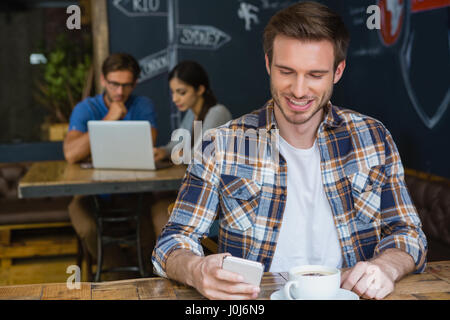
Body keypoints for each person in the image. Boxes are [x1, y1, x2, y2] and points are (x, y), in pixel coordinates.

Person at [151, 1, 428, 300]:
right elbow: (171, 241)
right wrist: (195, 269)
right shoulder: (220, 145)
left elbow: (408, 233)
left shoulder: (372, 138)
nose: (298, 90)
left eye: (315, 75)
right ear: (268, 64)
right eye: (286, 71)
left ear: (338, 71)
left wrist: (386, 266)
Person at [64, 53, 158, 271]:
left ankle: (142, 281)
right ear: (103, 80)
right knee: (87, 228)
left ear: (134, 83)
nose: (119, 92)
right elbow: (71, 154)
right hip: (89, 194)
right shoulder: (86, 109)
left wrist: (91, 148)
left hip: (134, 193)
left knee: (148, 234)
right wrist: (108, 120)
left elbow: (147, 144)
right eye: (114, 84)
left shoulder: (143, 105)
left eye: (126, 85)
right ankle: (123, 282)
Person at [150, 60, 232, 238]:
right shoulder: (191, 113)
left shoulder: (217, 112)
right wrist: (163, 152)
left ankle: (170, 261)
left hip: (214, 203)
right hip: (195, 193)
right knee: (155, 206)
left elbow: (198, 157)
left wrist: (181, 153)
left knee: (160, 211)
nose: (175, 99)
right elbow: (177, 147)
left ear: (200, 89)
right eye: (173, 92)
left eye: (181, 92)